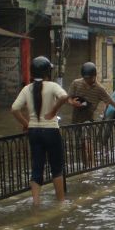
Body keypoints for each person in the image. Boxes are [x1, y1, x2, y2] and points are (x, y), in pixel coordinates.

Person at [11, 56, 72, 205]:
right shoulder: (52, 86)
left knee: (37, 167)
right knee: (56, 168)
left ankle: (36, 204)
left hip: (34, 133)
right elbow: (64, 97)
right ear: (47, 72)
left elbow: (14, 109)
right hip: (51, 131)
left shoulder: (27, 88)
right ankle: (61, 201)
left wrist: (27, 124)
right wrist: (53, 112)